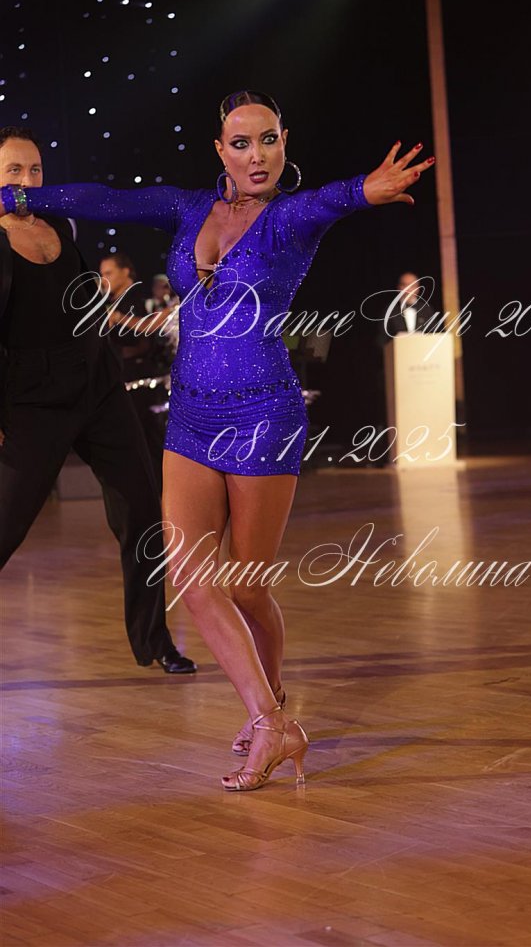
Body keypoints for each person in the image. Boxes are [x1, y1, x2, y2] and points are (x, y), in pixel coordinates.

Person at [0, 90, 434, 790]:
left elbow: (332, 201)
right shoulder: (186, 207)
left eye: (269, 140)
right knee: (192, 580)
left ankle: (275, 704)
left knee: (245, 585)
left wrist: (367, 188)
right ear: (219, 150)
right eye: (241, 143)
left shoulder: (289, 218)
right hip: (191, 419)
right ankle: (271, 720)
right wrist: (15, 196)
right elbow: (105, 199)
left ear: (284, 143)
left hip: (263, 414)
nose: (256, 156)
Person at [0, 126, 196, 675]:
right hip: (32, 402)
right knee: (6, 526)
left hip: (97, 386)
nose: (27, 180)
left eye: (35, 170)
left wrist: (123, 332)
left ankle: (155, 641)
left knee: (142, 509)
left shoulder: (60, 222)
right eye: (14, 170)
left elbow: (85, 300)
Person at [99, 251, 170, 490]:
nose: (104, 279)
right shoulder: (114, 303)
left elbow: (145, 338)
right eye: (101, 274)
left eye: (109, 273)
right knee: (139, 439)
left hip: (140, 381)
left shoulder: (135, 301)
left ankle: (158, 491)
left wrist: (116, 325)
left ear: (126, 271)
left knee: (146, 438)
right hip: (126, 378)